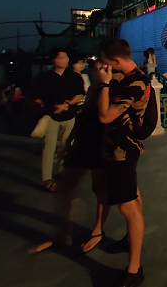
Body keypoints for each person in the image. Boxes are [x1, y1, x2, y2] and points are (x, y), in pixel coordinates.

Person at [28, 60, 110, 255]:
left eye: (101, 68)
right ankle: (62, 232)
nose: (96, 71)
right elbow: (84, 118)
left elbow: (105, 118)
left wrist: (106, 86)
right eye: (96, 68)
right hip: (82, 144)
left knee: (100, 190)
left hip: (99, 146)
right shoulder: (92, 90)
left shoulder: (108, 90)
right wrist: (69, 142)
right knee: (64, 188)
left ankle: (98, 231)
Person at [98, 39, 150, 287]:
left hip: (123, 150)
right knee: (133, 196)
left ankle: (134, 269)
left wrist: (104, 83)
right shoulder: (129, 78)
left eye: (106, 62)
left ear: (116, 61)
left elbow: (105, 115)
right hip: (118, 149)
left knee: (127, 207)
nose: (103, 66)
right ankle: (131, 238)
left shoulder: (136, 82)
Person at [31, 48, 85, 192]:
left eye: (66, 58)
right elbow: (35, 97)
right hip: (51, 116)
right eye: (60, 58)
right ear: (53, 60)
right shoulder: (44, 78)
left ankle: (61, 171)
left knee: (67, 146)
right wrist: (48, 106)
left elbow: (80, 94)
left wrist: (66, 105)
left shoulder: (74, 77)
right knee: (49, 147)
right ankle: (46, 179)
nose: (64, 60)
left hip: (69, 115)